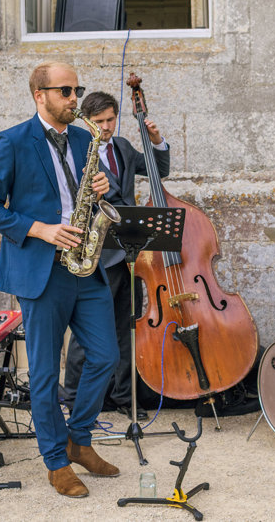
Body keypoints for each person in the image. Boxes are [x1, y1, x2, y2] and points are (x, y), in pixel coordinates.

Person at [0, 61, 121, 499]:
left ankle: (78, 439)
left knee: (105, 356)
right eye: (64, 91)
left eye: (76, 89)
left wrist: (103, 184)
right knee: (43, 373)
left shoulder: (83, 137)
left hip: (84, 264)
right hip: (41, 267)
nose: (74, 98)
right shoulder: (13, 141)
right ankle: (57, 461)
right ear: (39, 95)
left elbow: (97, 188)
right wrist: (41, 229)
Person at [60, 90, 170, 421]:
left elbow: (157, 171)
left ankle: (124, 394)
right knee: (87, 331)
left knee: (126, 326)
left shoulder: (122, 146)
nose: (106, 127)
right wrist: (95, 194)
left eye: (110, 120)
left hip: (128, 254)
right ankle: (74, 396)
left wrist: (156, 141)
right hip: (96, 253)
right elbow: (70, 197)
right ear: (87, 121)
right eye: (99, 122)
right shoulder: (77, 149)